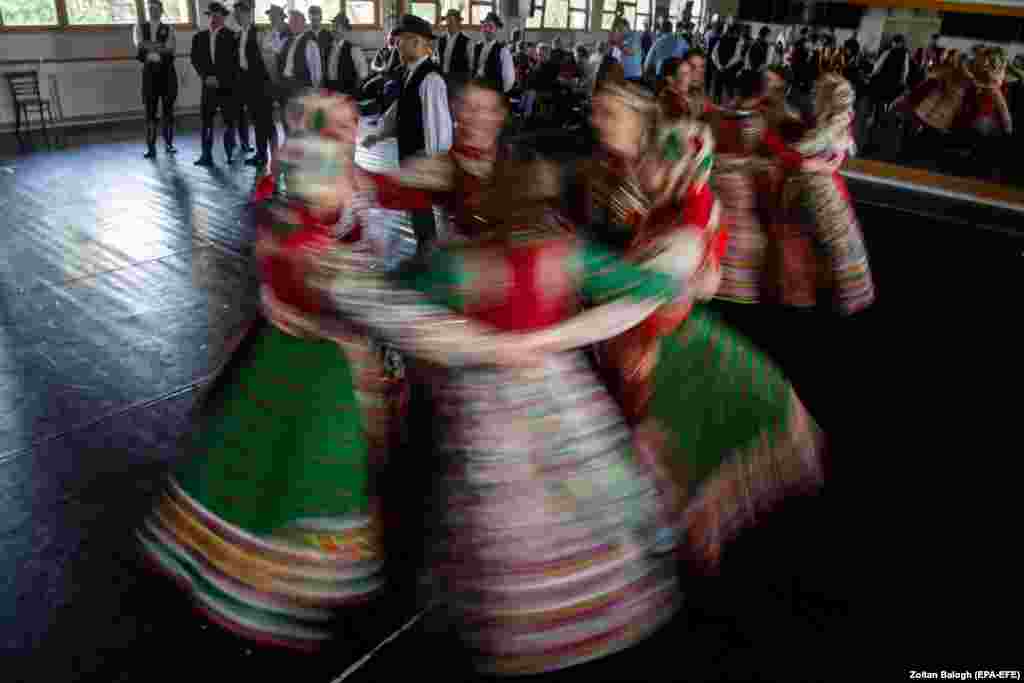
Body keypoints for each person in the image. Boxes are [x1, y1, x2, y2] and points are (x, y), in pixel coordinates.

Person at [323, 154, 684, 676]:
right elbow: (652, 288)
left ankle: (522, 626)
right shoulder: (568, 254)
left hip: (486, 405)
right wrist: (677, 255)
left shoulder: (457, 264)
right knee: (577, 495)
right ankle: (591, 614)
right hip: (559, 393)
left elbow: (388, 299)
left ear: (492, 203)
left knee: (503, 512)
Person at [138, 94, 395, 649]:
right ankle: (272, 576)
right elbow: (291, 240)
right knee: (299, 457)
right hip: (317, 336)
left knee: (296, 454)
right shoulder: (315, 170)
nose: (354, 129)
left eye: (355, 121)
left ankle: (287, 572)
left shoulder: (349, 175)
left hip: (335, 324)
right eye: (344, 122)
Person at [573, 81, 828, 571]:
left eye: (608, 112)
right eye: (596, 112)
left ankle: (670, 543)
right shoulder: (648, 189)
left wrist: (579, 284)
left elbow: (683, 278)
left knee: (662, 442)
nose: (596, 121)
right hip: (631, 325)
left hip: (646, 332)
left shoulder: (687, 209)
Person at [766, 72, 875, 316]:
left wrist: (797, 160)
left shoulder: (831, 127)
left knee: (812, 245)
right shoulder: (838, 121)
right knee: (828, 247)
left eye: (817, 95)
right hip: (820, 189)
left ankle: (812, 298)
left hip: (816, 192)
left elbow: (799, 154)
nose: (813, 99)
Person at [362, 14, 452, 255]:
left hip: (422, 158)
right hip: (411, 155)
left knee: (422, 209)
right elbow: (400, 109)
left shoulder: (431, 79)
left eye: (400, 41)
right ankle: (425, 249)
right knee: (416, 207)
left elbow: (438, 125)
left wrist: (432, 161)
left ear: (415, 42)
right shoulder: (409, 73)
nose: (396, 46)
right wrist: (379, 134)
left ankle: (428, 253)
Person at [191, 2, 240, 166]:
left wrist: (221, 78)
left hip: (227, 86)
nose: (214, 18)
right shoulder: (199, 37)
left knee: (228, 121)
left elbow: (234, 62)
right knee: (206, 121)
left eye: (217, 15)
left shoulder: (232, 36)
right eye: (211, 15)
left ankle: (229, 154)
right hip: (208, 85)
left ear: (223, 17)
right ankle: (206, 155)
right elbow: (195, 60)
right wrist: (205, 77)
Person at [134, 0, 178, 159]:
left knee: (168, 111)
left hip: (166, 74)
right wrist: (158, 46)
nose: (153, 11)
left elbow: (170, 49)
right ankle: (151, 147)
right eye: (150, 8)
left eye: (156, 9)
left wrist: (149, 45)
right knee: (150, 112)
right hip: (149, 75)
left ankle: (169, 144)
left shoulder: (169, 28)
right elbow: (139, 46)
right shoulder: (140, 27)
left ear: (161, 10)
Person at [232, 1, 273, 168]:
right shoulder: (239, 34)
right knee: (255, 120)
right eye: (235, 15)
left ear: (248, 14)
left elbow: (269, 60)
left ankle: (267, 155)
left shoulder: (259, 33)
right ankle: (260, 154)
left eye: (239, 14)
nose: (237, 17)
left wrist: (269, 85)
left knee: (264, 122)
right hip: (246, 82)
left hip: (260, 84)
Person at [277, 9, 323, 118]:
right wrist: (275, 27)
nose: (292, 24)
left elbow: (316, 71)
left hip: (301, 88)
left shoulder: (310, 44)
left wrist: (314, 92)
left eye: (295, 21)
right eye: (291, 22)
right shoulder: (285, 41)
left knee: (299, 122)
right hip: (285, 86)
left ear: (303, 24)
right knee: (286, 120)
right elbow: (266, 46)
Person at [472, 12, 515, 95]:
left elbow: (509, 79)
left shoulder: (503, 51)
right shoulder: (476, 47)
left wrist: (498, 93)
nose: (487, 29)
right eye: (485, 26)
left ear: (496, 30)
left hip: (494, 94)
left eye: (491, 27)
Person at [325, 14, 368, 97]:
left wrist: (353, 93)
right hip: (330, 91)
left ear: (345, 30)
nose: (334, 29)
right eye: (333, 26)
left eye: (338, 26)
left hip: (347, 93)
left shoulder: (354, 49)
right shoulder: (327, 48)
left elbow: (363, 75)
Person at [436, 8, 473, 85]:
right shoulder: (441, 40)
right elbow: (438, 59)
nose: (449, 24)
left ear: (458, 22)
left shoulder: (467, 41)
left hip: (459, 80)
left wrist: (468, 82)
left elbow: (471, 64)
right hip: (443, 78)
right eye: (448, 21)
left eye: (452, 21)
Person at [307, 5, 334, 75]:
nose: (314, 21)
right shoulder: (305, 36)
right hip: (310, 71)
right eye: (312, 19)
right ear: (309, 18)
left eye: (317, 18)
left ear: (321, 17)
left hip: (325, 70)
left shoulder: (328, 35)